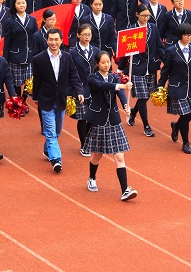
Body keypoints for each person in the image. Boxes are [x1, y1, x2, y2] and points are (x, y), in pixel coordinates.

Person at [85, 50, 137, 201]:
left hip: (114, 120)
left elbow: (120, 94)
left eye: (108, 62)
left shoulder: (114, 77)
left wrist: (126, 105)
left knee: (119, 156)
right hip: (99, 120)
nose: (106, 65)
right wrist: (121, 86)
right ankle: (92, 177)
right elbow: (103, 86)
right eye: (103, 62)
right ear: (97, 64)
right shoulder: (92, 78)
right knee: (97, 155)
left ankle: (125, 190)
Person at [31, 28, 84, 172]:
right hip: (45, 99)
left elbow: (74, 75)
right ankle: (56, 160)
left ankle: (47, 149)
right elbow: (37, 80)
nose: (53, 42)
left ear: (61, 41)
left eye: (56, 39)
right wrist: (35, 97)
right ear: (47, 41)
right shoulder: (38, 59)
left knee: (58, 130)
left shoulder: (67, 57)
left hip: (61, 99)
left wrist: (79, 91)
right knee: (50, 131)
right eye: (51, 39)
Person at [157, 23, 191, 154]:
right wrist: (160, 87)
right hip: (177, 89)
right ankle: (186, 143)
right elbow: (165, 71)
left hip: (190, 89)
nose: (189, 37)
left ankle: (176, 126)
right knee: (185, 114)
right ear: (180, 35)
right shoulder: (171, 51)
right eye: (186, 35)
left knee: (190, 114)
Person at [122, 4, 163, 137]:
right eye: (143, 15)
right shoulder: (131, 30)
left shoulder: (153, 28)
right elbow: (125, 51)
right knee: (142, 96)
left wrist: (167, 61)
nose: (146, 18)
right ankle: (146, 125)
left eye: (147, 15)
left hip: (150, 67)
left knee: (146, 97)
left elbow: (159, 47)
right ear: (137, 15)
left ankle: (134, 113)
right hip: (137, 68)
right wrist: (121, 69)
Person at [69, 23, 99, 156]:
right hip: (79, 89)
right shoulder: (72, 52)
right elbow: (70, 73)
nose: (87, 37)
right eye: (84, 34)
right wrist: (71, 91)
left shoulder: (96, 50)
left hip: (94, 89)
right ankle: (84, 145)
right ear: (78, 35)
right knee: (82, 118)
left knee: (92, 118)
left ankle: (87, 140)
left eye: (89, 35)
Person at [3, 0, 38, 101]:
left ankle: (23, 100)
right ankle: (17, 102)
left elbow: (36, 37)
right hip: (15, 56)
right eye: (19, 3)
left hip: (29, 55)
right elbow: (7, 41)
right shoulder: (10, 21)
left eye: (23, 2)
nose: (21, 5)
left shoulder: (32, 19)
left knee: (30, 81)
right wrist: (5, 59)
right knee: (16, 82)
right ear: (14, 5)